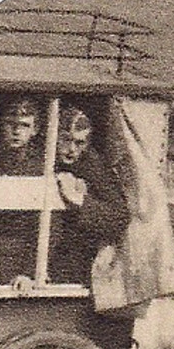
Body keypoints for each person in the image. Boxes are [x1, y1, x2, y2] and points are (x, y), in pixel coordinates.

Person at [46, 107, 129, 284]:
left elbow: (120, 216)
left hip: (74, 258)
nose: (71, 149)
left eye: (79, 143)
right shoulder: (41, 158)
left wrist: (81, 201)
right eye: (65, 140)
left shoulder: (93, 166)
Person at [0, 97, 45, 176]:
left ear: (35, 129)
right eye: (10, 123)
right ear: (1, 125)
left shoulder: (42, 164)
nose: (16, 131)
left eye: (24, 125)